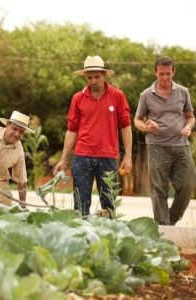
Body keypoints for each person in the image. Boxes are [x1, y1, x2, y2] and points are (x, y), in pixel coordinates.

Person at [53, 55, 132, 216]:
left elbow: (125, 126)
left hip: (108, 157)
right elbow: (72, 130)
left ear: (104, 74)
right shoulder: (78, 98)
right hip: (82, 157)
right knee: (80, 207)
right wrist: (63, 158)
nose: (93, 81)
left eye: (96, 77)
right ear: (85, 78)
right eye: (89, 78)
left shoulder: (117, 96)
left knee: (109, 206)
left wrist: (128, 156)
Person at [134, 56, 195, 225]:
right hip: (157, 146)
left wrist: (189, 127)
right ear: (155, 73)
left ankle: (171, 219)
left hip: (181, 145)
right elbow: (137, 120)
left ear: (173, 72)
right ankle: (163, 227)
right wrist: (146, 127)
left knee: (188, 184)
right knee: (158, 189)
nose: (165, 78)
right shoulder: (146, 95)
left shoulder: (183, 92)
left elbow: (190, 117)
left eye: (168, 74)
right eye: (161, 74)